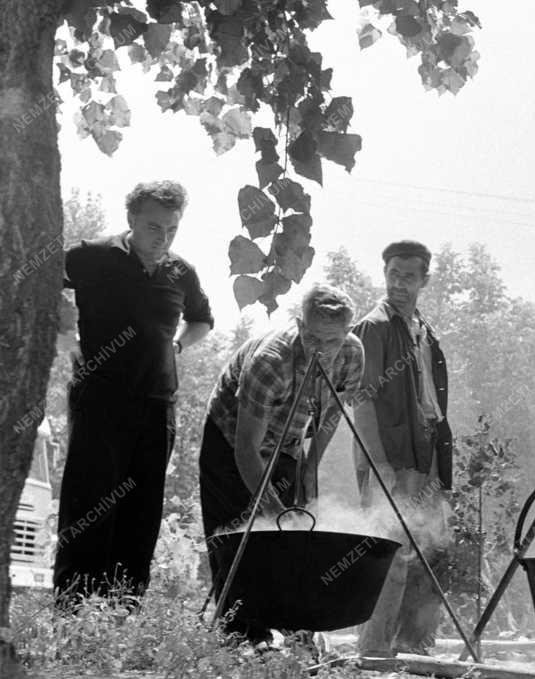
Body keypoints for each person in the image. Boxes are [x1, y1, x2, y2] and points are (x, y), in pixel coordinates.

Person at [54, 180, 213, 608]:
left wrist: (177, 345)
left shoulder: (182, 271)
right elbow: (46, 283)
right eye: (153, 227)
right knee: (89, 500)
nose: (162, 238)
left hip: (158, 404)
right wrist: (66, 335)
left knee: (142, 509)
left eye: (171, 229)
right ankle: (74, 606)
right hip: (99, 399)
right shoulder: (93, 255)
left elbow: (202, 319)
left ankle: (123, 606)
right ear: (131, 220)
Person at [200, 284, 363, 641]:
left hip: (288, 438)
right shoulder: (271, 362)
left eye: (332, 341)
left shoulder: (352, 356)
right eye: (314, 339)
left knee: (290, 537)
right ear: (300, 326)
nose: (322, 350)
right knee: (239, 529)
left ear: (347, 333)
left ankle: (289, 627)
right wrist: (271, 509)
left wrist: (309, 468)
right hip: (230, 436)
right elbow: (246, 449)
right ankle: (240, 636)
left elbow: (331, 417)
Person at [352, 240, 453, 658]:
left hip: (425, 450)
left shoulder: (424, 331)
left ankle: (412, 647)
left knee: (429, 549)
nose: (398, 283)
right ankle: (373, 650)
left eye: (408, 277)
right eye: (393, 274)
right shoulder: (373, 327)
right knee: (386, 551)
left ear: (424, 280)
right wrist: (378, 465)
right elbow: (363, 399)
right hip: (389, 456)